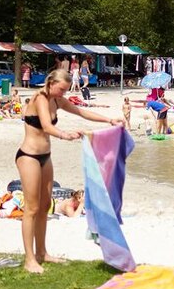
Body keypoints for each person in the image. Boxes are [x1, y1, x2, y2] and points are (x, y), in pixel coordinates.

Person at [15, 69, 123, 273]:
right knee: (32, 208)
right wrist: (65, 135)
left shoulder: (57, 100)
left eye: (65, 90)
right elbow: (46, 126)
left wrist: (109, 120)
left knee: (45, 205)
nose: (63, 93)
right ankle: (29, 259)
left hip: (45, 157)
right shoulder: (40, 98)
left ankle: (42, 253)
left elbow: (81, 112)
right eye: (61, 89)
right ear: (51, 83)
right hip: (28, 156)